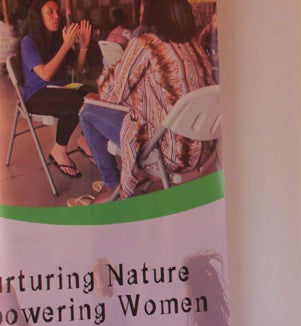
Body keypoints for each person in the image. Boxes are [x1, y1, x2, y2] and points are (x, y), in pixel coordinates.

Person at [78, 0, 215, 203]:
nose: (141, 13)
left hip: (169, 153)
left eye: (144, 8)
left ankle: (111, 185)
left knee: (87, 112)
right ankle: (131, 173)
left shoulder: (145, 43)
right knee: (129, 110)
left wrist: (115, 64)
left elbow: (110, 93)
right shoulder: (194, 46)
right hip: (203, 148)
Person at [19, 0, 94, 179]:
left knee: (94, 93)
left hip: (59, 89)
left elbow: (77, 67)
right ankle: (59, 149)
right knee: (77, 101)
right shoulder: (28, 42)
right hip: (36, 96)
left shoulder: (56, 39)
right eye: (50, 12)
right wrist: (66, 45)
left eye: (57, 12)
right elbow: (44, 75)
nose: (56, 16)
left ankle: (83, 139)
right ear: (38, 16)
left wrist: (83, 46)